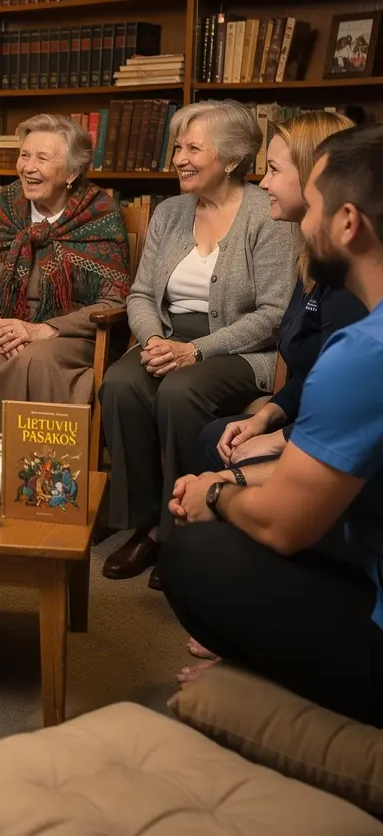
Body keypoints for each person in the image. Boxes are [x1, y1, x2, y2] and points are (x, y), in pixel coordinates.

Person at [161, 125, 383, 727]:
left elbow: (284, 526)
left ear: (346, 224)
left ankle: (267, 673)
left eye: (310, 204)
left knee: (195, 551)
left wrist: (215, 492)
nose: (293, 215)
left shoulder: (363, 352)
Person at [98, 100, 297, 586]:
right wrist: (151, 341)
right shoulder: (169, 212)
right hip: (166, 339)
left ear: (230, 160)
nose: (179, 158)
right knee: (121, 384)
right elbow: (141, 293)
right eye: (177, 147)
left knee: (180, 391)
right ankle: (144, 523)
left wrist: (195, 351)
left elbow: (273, 314)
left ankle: (180, 529)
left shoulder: (266, 215)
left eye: (192, 148)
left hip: (242, 350)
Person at [0, 113, 130, 438]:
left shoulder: (100, 213)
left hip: (68, 336)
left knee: (35, 358)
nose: (28, 167)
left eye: (42, 158)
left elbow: (115, 299)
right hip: (4, 327)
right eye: (25, 155)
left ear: (73, 172)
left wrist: (43, 329)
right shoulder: (3, 206)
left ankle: (35, 473)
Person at [197, 111, 365, 474]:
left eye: (273, 169)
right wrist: (267, 415)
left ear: (311, 176)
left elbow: (348, 402)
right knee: (215, 436)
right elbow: (313, 376)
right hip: (309, 420)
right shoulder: (310, 259)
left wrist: (277, 438)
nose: (262, 183)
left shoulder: (351, 279)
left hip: (334, 443)